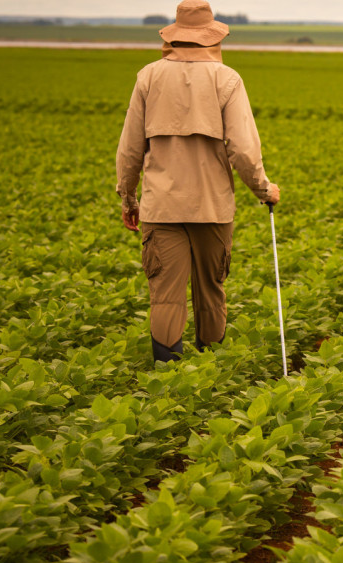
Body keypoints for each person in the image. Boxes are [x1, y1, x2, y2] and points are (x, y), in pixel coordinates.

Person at [115, 0, 280, 362]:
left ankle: (168, 378)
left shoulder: (148, 76)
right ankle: (211, 373)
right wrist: (264, 190)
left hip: (161, 207)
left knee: (165, 296)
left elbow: (128, 150)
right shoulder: (228, 79)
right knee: (211, 289)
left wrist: (128, 200)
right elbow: (244, 149)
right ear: (212, 38)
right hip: (213, 207)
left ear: (175, 37)